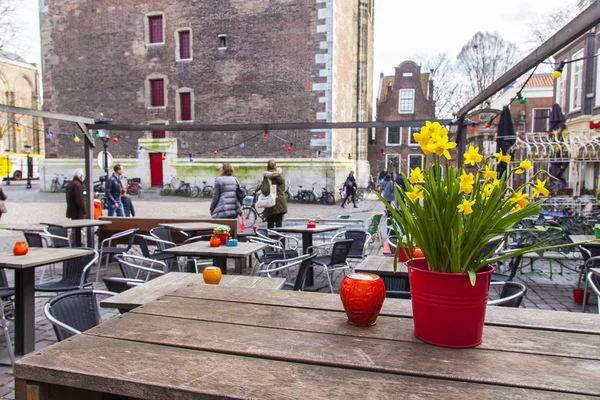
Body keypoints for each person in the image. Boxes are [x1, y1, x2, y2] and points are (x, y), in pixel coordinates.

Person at [260, 160, 287, 228]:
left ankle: (271, 238)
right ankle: (279, 238)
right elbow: (284, 188)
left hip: (272, 202)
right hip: (281, 201)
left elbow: (265, 190)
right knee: (279, 224)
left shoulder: (267, 176)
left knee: (270, 225)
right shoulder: (280, 175)